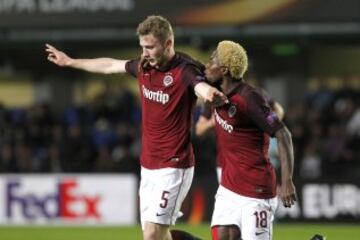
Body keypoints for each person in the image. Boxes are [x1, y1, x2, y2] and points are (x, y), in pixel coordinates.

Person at [46, 15, 227, 240]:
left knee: (152, 234)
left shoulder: (184, 68)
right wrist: (71, 61)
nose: (145, 53)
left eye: (150, 47)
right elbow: (110, 65)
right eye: (142, 47)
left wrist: (210, 94)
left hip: (174, 165)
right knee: (157, 235)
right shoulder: (144, 66)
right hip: (148, 164)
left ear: (168, 43)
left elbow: (200, 86)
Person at [204, 40, 297, 240]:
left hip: (257, 190)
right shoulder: (216, 93)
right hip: (228, 188)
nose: (206, 64)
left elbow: (283, 135)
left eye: (212, 60)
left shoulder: (249, 98)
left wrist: (287, 181)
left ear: (225, 69)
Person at [195, 83, 285, 182]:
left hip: (252, 162)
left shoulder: (254, 93)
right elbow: (199, 130)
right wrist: (214, 121)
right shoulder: (214, 96)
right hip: (226, 164)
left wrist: (264, 125)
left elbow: (279, 110)